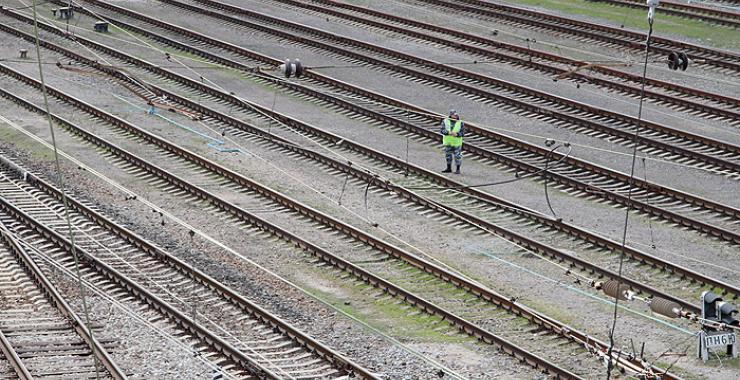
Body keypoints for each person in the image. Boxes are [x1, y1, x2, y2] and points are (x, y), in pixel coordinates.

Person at [440, 110, 464, 174]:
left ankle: (458, 169)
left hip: (457, 143)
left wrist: (457, 134)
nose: (455, 116)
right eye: (454, 115)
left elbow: (463, 133)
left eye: (456, 115)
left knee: (457, 156)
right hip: (448, 142)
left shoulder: (460, 122)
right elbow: (442, 130)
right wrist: (448, 133)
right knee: (448, 155)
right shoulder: (445, 121)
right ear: (451, 115)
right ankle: (449, 168)